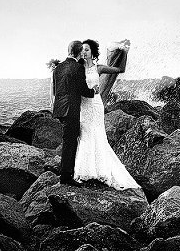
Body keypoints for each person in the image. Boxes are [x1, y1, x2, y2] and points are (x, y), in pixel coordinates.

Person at [73, 38, 141, 190]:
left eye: (87, 49)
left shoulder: (99, 68)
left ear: (92, 52)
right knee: (84, 134)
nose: (84, 52)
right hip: (83, 105)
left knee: (98, 134)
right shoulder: (77, 68)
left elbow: (120, 70)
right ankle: (85, 169)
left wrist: (124, 53)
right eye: (82, 49)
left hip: (96, 105)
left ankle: (101, 170)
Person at [50, 40, 95, 187]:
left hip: (60, 109)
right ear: (79, 52)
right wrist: (93, 91)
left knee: (67, 141)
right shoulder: (77, 67)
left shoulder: (58, 68)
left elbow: (56, 91)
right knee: (70, 143)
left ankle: (66, 172)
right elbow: (83, 90)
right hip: (71, 109)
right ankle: (66, 177)